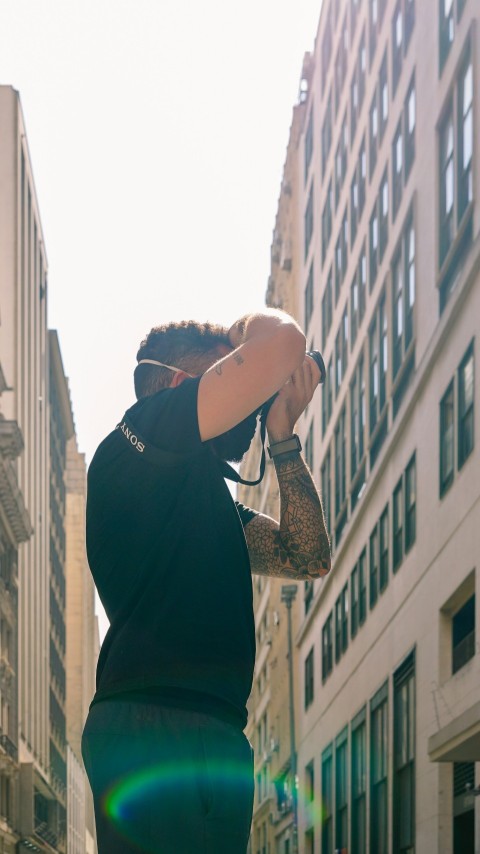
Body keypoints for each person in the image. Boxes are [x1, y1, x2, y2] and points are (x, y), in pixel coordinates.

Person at [82, 309, 331, 854]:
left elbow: (308, 556)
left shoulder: (204, 495)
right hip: (154, 722)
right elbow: (283, 339)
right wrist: (241, 333)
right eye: (228, 371)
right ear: (179, 385)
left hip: (214, 729)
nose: (250, 397)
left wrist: (282, 437)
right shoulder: (140, 433)